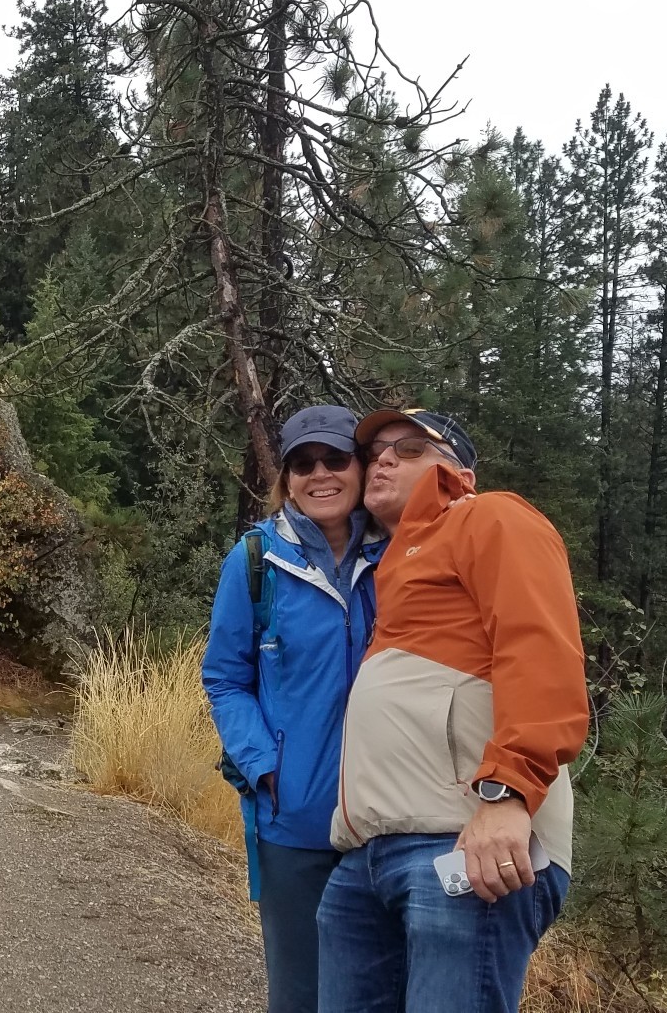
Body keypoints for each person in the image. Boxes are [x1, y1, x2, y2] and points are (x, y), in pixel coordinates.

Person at [317, 409, 590, 1013]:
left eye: (409, 448)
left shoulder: (490, 516)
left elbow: (539, 651)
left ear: (458, 471)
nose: (382, 459)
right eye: (374, 452)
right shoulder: (392, 565)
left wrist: (509, 796)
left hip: (468, 841)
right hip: (369, 855)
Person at [203, 405, 385, 1013]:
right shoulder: (256, 562)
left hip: (391, 820)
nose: (320, 474)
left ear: (359, 468)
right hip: (294, 819)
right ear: (286, 477)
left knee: (380, 991)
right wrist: (264, 766)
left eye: (336, 458)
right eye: (303, 463)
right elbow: (226, 679)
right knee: (302, 993)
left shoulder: (404, 558)